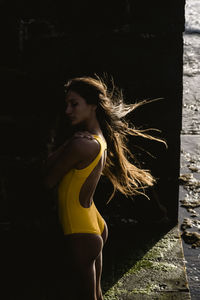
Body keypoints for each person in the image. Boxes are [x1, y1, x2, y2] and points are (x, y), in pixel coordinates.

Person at [43, 75, 164, 300]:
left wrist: (65, 145)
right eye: (67, 104)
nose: (68, 111)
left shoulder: (81, 143)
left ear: (93, 106)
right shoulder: (99, 139)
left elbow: (48, 180)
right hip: (93, 224)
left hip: (81, 230)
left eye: (74, 104)